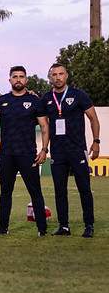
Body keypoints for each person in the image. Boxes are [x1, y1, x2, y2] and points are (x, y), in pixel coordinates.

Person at [0, 66, 49, 236]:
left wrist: (44, 150)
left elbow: (44, 127)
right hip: (6, 154)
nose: (18, 79)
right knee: (5, 192)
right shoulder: (3, 100)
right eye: (15, 77)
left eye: (21, 77)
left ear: (26, 80)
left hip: (28, 154)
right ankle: (3, 227)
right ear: (10, 80)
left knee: (35, 191)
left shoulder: (35, 101)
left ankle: (42, 228)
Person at [42, 63, 100, 238]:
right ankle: (64, 226)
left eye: (61, 74)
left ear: (67, 76)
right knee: (60, 190)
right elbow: (42, 122)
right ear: (50, 77)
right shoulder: (46, 98)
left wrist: (96, 141)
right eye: (54, 75)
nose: (58, 77)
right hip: (57, 152)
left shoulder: (78, 95)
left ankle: (89, 225)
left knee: (84, 188)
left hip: (77, 150)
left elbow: (93, 118)